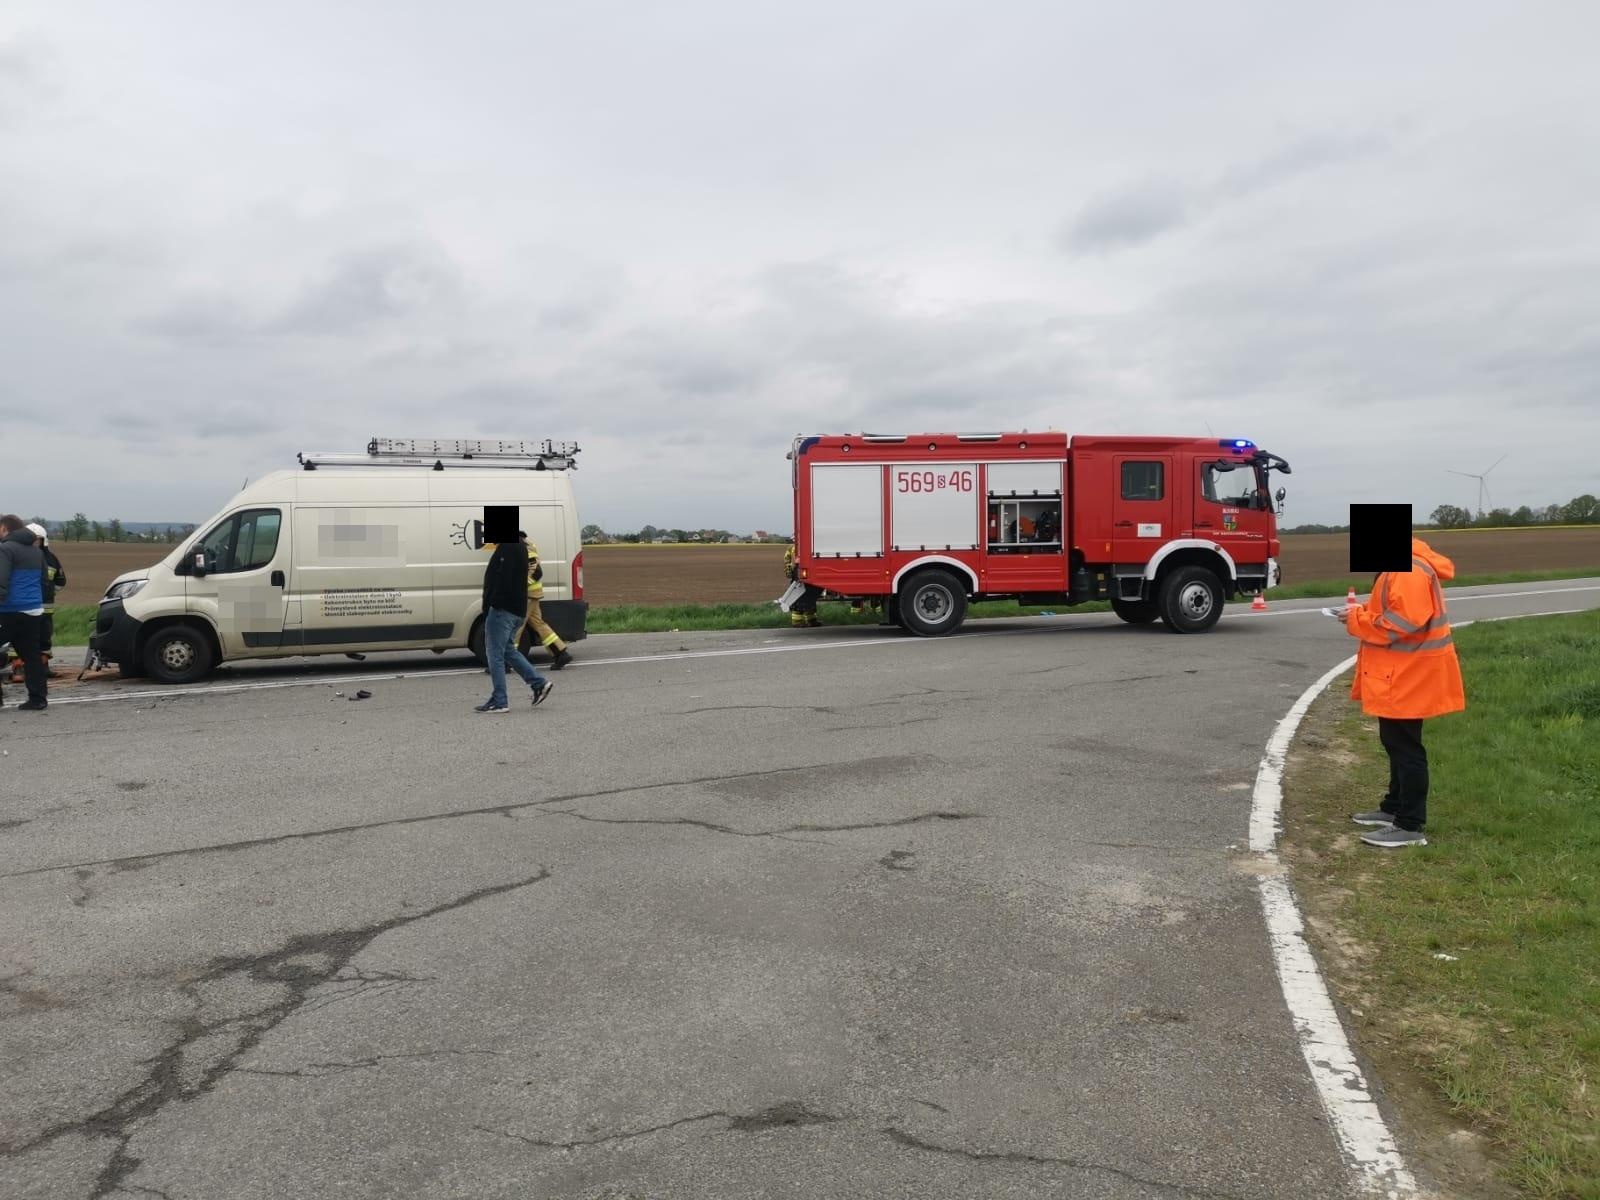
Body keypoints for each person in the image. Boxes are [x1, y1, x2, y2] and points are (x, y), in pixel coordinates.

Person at [1334, 537, 1466, 848]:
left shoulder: (1407, 570)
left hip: (1410, 674)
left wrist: (1356, 619)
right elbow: (1395, 609)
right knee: (1396, 743)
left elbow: (1400, 623)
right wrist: (1362, 610)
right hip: (1401, 673)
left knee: (1405, 748)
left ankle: (1410, 825)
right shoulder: (1399, 568)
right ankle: (1393, 808)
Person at [478, 536, 554, 713]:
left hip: (502, 610)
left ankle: (500, 700)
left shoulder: (508, 548)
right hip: (517, 609)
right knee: (507, 650)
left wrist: (493, 603)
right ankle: (539, 684)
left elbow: (502, 579)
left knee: (494, 654)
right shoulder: (520, 547)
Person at [0, 514, 49, 711]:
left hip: (9, 610)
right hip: (33, 611)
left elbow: (1, 580)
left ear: (5, 528)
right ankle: (38, 699)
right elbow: (45, 582)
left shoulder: (5, 549)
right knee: (31, 657)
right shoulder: (37, 552)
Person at [8, 523, 64, 683]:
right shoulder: (15, 556)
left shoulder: (51, 559)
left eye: (37, 540)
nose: (34, 543)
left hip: (44, 609)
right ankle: (18, 668)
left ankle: (43, 668)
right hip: (22, 607)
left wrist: (48, 594)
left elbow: (60, 582)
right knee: (18, 638)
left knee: (43, 639)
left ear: (43, 541)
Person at [519, 532, 573, 669]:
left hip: (528, 593)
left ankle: (505, 662)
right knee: (539, 624)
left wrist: (520, 586)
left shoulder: (525, 547)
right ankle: (561, 653)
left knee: (516, 625)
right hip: (532, 593)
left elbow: (535, 571)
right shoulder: (527, 545)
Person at [784, 544, 821, 627]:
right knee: (799, 597)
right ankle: (797, 621)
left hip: (803, 572)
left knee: (810, 597)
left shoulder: (794, 547)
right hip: (798, 573)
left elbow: (787, 563)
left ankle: (811, 619)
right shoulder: (794, 548)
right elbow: (790, 562)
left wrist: (789, 573)